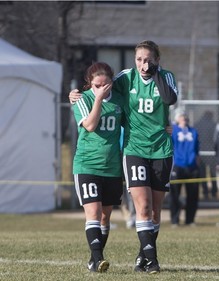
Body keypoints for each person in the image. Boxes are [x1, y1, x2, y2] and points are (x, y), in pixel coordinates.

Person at [70, 40, 178, 274]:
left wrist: (155, 73)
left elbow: (170, 99)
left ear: (157, 60)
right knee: (143, 205)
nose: (143, 64)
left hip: (160, 150)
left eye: (148, 59)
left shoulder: (166, 77)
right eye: (139, 59)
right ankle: (151, 259)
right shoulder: (125, 78)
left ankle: (142, 256)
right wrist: (77, 93)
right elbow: (98, 92)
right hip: (133, 151)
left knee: (154, 211)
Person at [72, 62, 125, 273]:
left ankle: (94, 260)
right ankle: (98, 258)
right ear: (89, 84)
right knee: (92, 212)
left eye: (106, 85)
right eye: (97, 85)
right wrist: (98, 100)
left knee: (105, 216)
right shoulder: (82, 100)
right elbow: (91, 125)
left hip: (111, 167)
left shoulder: (120, 101)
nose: (102, 88)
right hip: (87, 165)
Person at [169, 110, 200, 226]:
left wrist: (196, 162)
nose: (184, 119)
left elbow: (197, 148)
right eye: (182, 116)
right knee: (175, 194)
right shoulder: (173, 130)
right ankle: (175, 219)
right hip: (178, 165)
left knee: (192, 194)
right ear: (177, 119)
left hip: (191, 166)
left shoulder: (193, 131)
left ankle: (190, 219)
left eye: (185, 116)